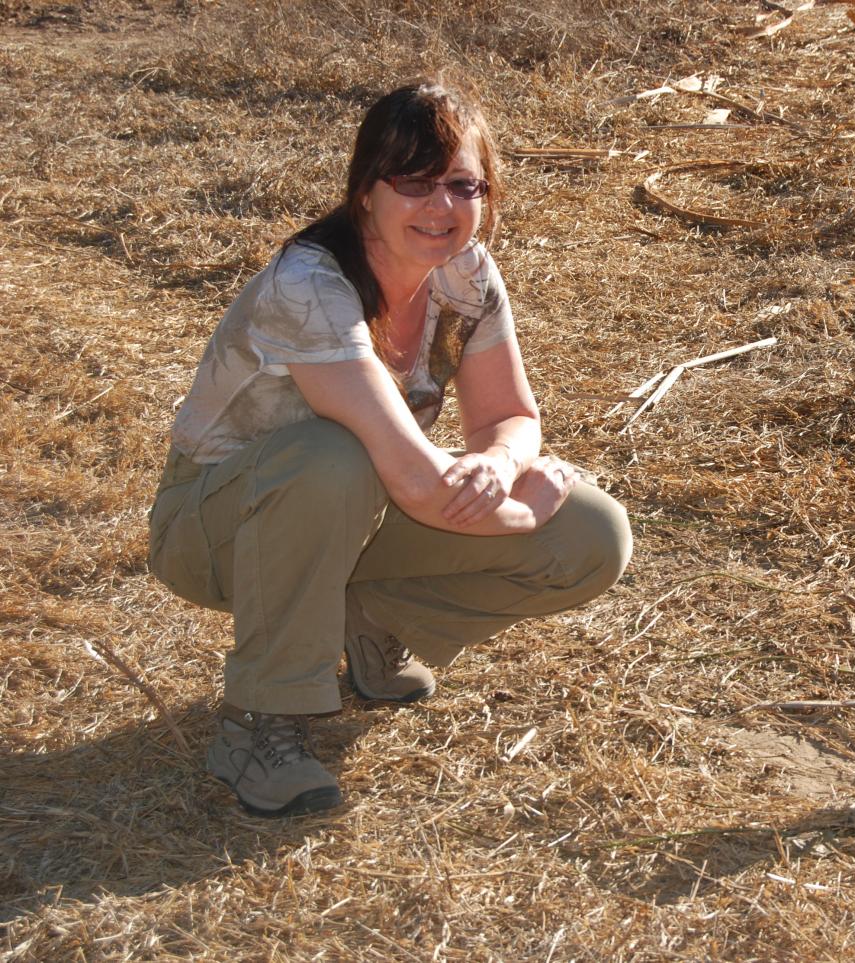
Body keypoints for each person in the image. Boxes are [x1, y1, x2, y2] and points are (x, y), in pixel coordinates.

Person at [147, 81, 632, 817]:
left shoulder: (466, 273)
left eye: (462, 185)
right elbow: (413, 478)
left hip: (360, 507)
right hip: (214, 527)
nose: (441, 208)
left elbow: (508, 415)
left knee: (594, 533)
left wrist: (498, 465)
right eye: (413, 182)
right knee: (331, 456)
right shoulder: (310, 284)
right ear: (365, 193)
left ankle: (375, 621)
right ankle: (259, 722)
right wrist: (521, 511)